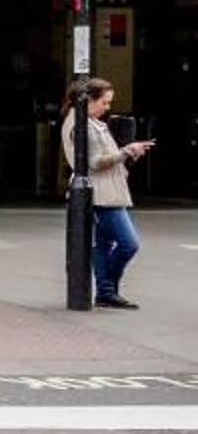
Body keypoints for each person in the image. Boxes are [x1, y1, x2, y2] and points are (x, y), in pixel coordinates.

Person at [64, 74, 154, 309]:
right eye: (104, 102)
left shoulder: (90, 122)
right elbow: (92, 162)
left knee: (103, 245)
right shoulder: (80, 125)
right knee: (128, 243)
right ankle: (108, 286)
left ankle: (106, 291)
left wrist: (128, 152)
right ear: (89, 100)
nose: (107, 107)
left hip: (109, 190)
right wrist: (126, 151)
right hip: (102, 194)